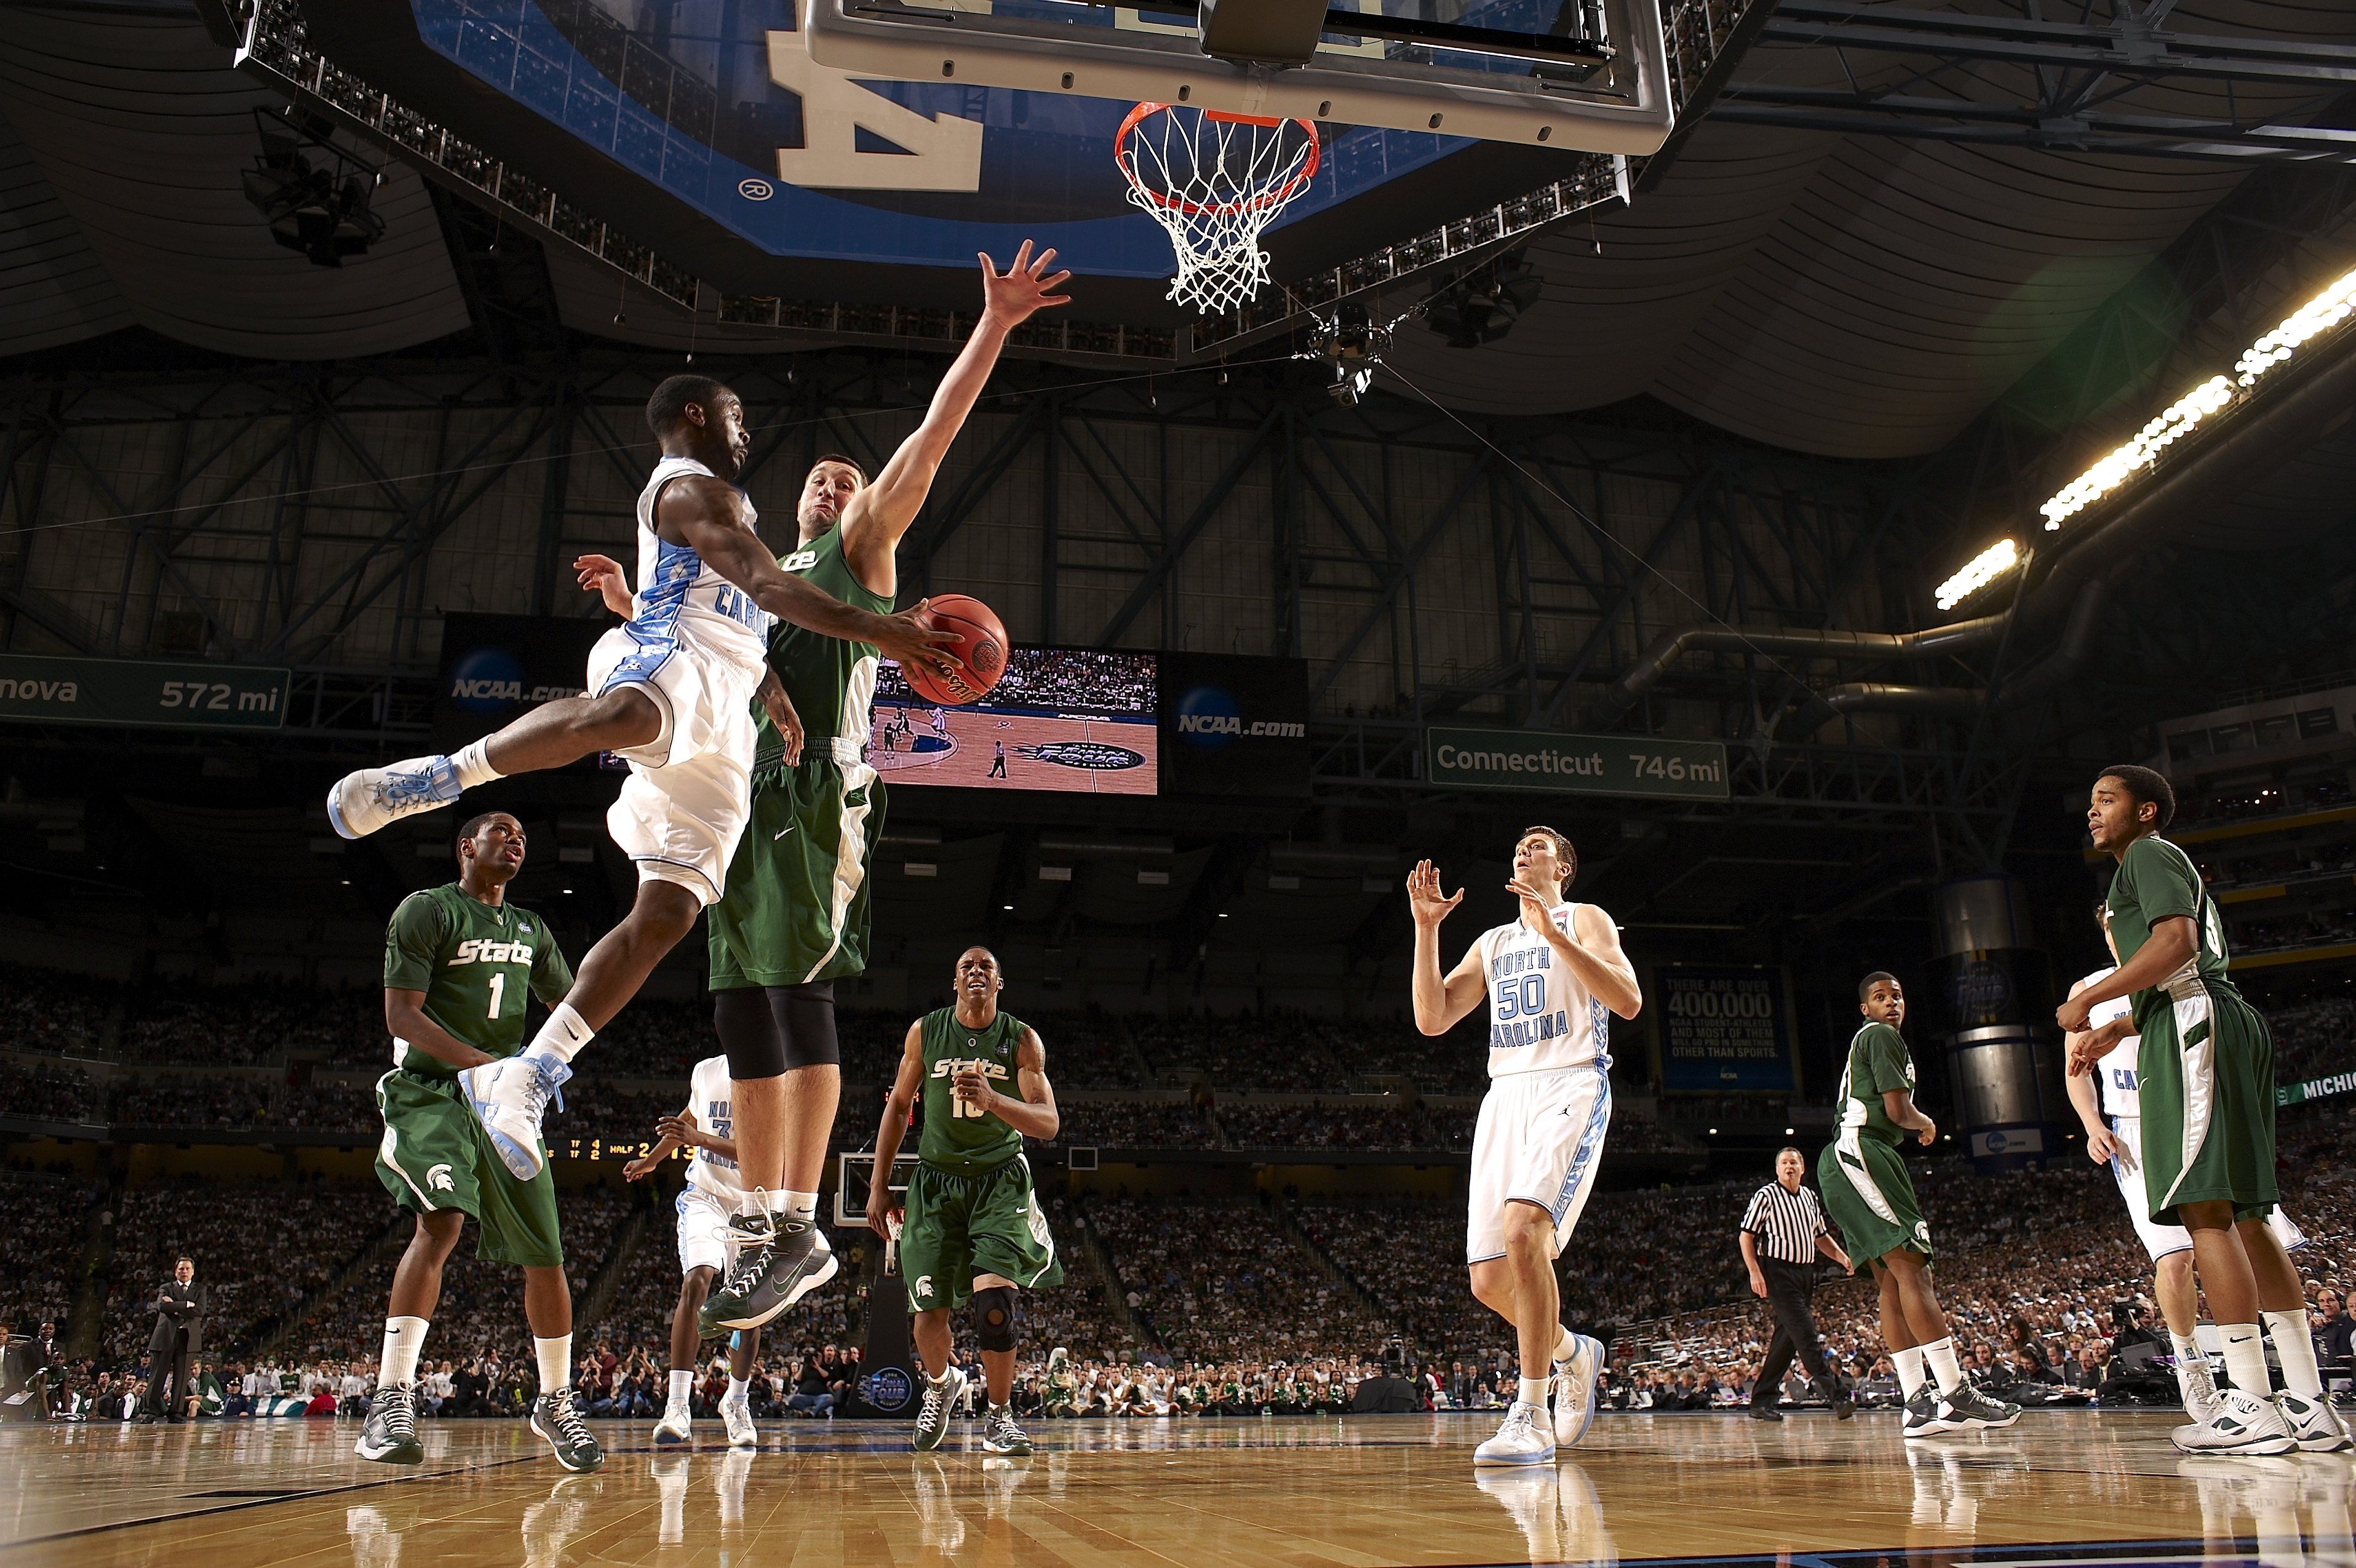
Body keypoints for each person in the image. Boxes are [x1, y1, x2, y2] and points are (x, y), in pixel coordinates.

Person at [324, 373, 959, 1188]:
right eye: (737, 413)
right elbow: (763, 588)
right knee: (622, 716)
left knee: (665, 913)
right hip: (670, 656)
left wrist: (766, 687)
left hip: (722, 718)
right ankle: (442, 775)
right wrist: (886, 632)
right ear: (695, 414)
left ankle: (532, 1073)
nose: (746, 430)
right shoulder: (695, 490)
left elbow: (750, 616)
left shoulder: (741, 518)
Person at [696, 244, 1070, 1337]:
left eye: (847, 481)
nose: (836, 485)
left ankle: (802, 1217)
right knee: (737, 1006)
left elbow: (928, 445)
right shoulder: (762, 580)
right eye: (821, 477)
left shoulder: (858, 552)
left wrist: (994, 326)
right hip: (742, 798)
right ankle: (769, 1223)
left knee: (795, 992)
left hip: (819, 796)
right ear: (790, 495)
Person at [2060, 765, 2348, 1454]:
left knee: (2206, 1211)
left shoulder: (2147, 856)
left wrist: (2088, 1005)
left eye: (2107, 799)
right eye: (2091, 801)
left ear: (2147, 810)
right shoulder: (2164, 863)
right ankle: (2308, 1402)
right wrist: (2116, 1029)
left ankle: (2249, 1401)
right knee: (2249, 1216)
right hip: (2216, 1018)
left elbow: (2176, 948)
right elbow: (2186, 968)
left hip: (2193, 1027)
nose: (2093, 811)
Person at [353, 811, 603, 1473]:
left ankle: (554, 1398)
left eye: (523, 833)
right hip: (434, 1091)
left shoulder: (530, 928)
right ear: (467, 848)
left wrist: (548, 1057)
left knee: (546, 1253)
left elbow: (574, 1000)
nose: (516, 839)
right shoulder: (427, 910)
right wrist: (483, 1066)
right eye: (501, 831)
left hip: (503, 1103)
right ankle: (390, 1394)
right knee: (441, 1223)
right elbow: (401, 1013)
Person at [1407, 827, 1641, 1466]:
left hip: (1570, 1081)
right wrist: (1427, 930)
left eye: (1537, 845)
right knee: (1488, 1280)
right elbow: (1432, 1017)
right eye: (1517, 843)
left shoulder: (1585, 918)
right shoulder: (1492, 942)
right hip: (1504, 1094)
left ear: (1562, 864)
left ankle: (1530, 1411)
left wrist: (1556, 934)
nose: (1522, 849)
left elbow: (1626, 1000)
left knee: (1523, 1231)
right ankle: (1572, 1352)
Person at [2062, 901, 2316, 1428]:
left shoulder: (2177, 971)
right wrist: (2091, 1123)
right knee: (2176, 1258)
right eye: (2111, 925)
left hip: (2192, 1103)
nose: (2120, 931)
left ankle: (2282, 1389)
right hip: (2135, 1128)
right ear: (2106, 934)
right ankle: (2192, 1368)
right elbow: (2076, 1071)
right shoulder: (2091, 986)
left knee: (2244, 1230)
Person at [866, 947, 1064, 1457]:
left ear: (1000, 983)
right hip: (936, 1183)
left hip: (999, 1181)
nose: (976, 972)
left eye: (987, 967)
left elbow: (1048, 1123)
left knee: (995, 1307)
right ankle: (941, 1384)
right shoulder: (925, 1032)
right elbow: (898, 1106)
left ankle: (999, 1417)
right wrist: (877, 1183)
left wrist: (994, 1100)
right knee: (928, 1319)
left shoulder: (1020, 1040)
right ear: (955, 982)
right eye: (967, 967)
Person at [1818, 971, 2020, 1438]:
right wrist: (1925, 1122)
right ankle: (1955, 1392)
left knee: (1891, 1278)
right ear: (1865, 1008)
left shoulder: (1870, 1038)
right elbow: (1896, 1110)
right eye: (1879, 997)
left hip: (1846, 1158)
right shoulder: (1882, 1035)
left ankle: (1917, 1402)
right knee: (1914, 1269)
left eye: (1898, 995)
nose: (1891, 1003)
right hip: (1864, 1149)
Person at [622, 1055, 762, 1449]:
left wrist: (700, 1139)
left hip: (753, 1205)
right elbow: (689, 1121)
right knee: (697, 1282)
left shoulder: (773, 1075)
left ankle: (736, 1402)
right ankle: (677, 1405)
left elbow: (762, 1153)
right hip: (707, 1197)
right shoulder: (706, 1071)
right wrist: (651, 1160)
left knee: (750, 1311)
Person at [1738, 1147, 1855, 1422]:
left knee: (1786, 1340)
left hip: (1806, 1274)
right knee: (1806, 1335)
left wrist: (1843, 1258)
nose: (1789, 1166)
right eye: (1783, 1163)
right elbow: (1746, 1236)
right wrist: (1755, 1272)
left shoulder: (1810, 1197)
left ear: (1802, 1169)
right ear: (1777, 1170)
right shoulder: (1766, 1195)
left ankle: (1761, 1400)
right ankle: (1837, 1396)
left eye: (1794, 1162)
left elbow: (1821, 1237)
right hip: (1778, 1272)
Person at [138, 1256, 205, 1423]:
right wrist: (186, 1305)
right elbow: (163, 1307)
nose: (184, 1272)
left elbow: (200, 1311)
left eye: (187, 1269)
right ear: (176, 1271)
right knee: (157, 1376)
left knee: (182, 1378)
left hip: (187, 1337)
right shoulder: (166, 1288)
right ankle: (150, 1412)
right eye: (181, 1269)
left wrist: (175, 1306)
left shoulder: (200, 1289)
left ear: (193, 1272)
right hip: (165, 1336)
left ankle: (175, 1412)